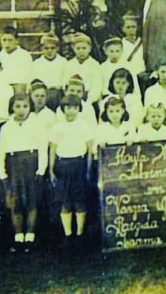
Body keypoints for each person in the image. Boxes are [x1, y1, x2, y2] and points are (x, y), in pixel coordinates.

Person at [0, 93, 48, 253]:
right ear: (12, 107)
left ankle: (30, 236)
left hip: (31, 164)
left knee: (32, 202)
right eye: (17, 106)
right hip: (14, 166)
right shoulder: (6, 127)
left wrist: (41, 170)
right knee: (16, 203)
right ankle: (18, 237)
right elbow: (2, 150)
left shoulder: (37, 124)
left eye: (25, 106)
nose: (21, 110)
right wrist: (2, 172)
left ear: (30, 107)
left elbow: (42, 149)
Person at [49, 95, 94, 247]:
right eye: (68, 108)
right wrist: (51, 170)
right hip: (63, 166)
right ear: (63, 109)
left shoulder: (84, 126)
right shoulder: (57, 127)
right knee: (65, 201)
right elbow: (53, 150)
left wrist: (87, 170)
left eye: (74, 108)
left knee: (80, 201)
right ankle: (68, 235)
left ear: (79, 109)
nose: (71, 111)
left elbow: (89, 150)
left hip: (79, 165)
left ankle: (80, 234)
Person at [32, 33, 69, 110]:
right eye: (46, 48)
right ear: (41, 48)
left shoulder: (63, 62)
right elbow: (35, 82)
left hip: (59, 94)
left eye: (52, 48)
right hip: (43, 94)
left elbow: (65, 80)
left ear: (57, 48)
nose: (49, 51)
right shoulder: (37, 63)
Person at [66, 32, 103, 104]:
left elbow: (97, 86)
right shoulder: (69, 64)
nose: (81, 51)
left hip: (90, 99)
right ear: (73, 49)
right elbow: (66, 83)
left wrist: (89, 101)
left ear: (89, 48)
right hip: (72, 98)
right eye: (78, 48)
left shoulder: (95, 65)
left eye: (84, 48)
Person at [0, 25, 33, 91]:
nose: (7, 43)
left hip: (20, 91)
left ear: (17, 41)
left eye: (10, 40)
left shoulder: (25, 56)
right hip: (2, 92)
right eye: (4, 40)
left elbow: (27, 78)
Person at [120, 12, 146, 78]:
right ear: (123, 29)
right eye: (128, 27)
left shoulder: (143, 43)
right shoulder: (120, 44)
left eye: (133, 27)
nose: (131, 30)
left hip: (142, 76)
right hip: (128, 77)